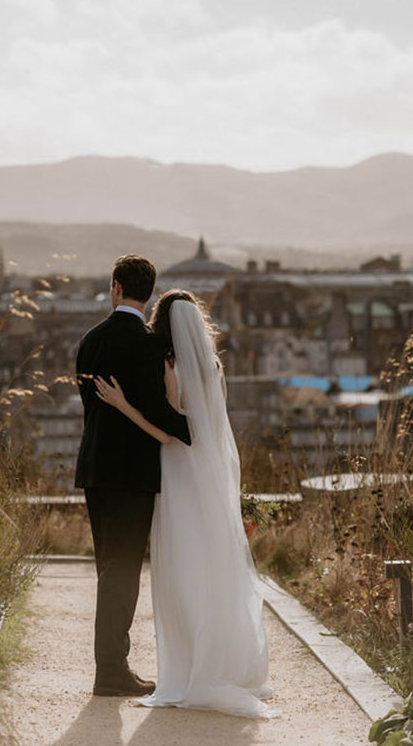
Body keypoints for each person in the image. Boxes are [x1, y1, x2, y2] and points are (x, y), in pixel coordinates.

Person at [93, 289, 275, 719]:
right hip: (205, 476)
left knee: (181, 566)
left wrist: (123, 405)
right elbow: (207, 426)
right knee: (208, 563)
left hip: (177, 472)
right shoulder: (214, 367)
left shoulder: (169, 364)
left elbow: (170, 430)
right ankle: (221, 662)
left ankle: (189, 667)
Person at [75, 256, 192, 697]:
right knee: (122, 572)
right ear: (148, 292)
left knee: (111, 568)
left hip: (94, 469)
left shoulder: (90, 340)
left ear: (115, 288)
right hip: (133, 475)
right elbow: (161, 412)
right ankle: (110, 670)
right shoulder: (148, 346)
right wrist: (192, 428)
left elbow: (90, 404)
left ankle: (111, 665)